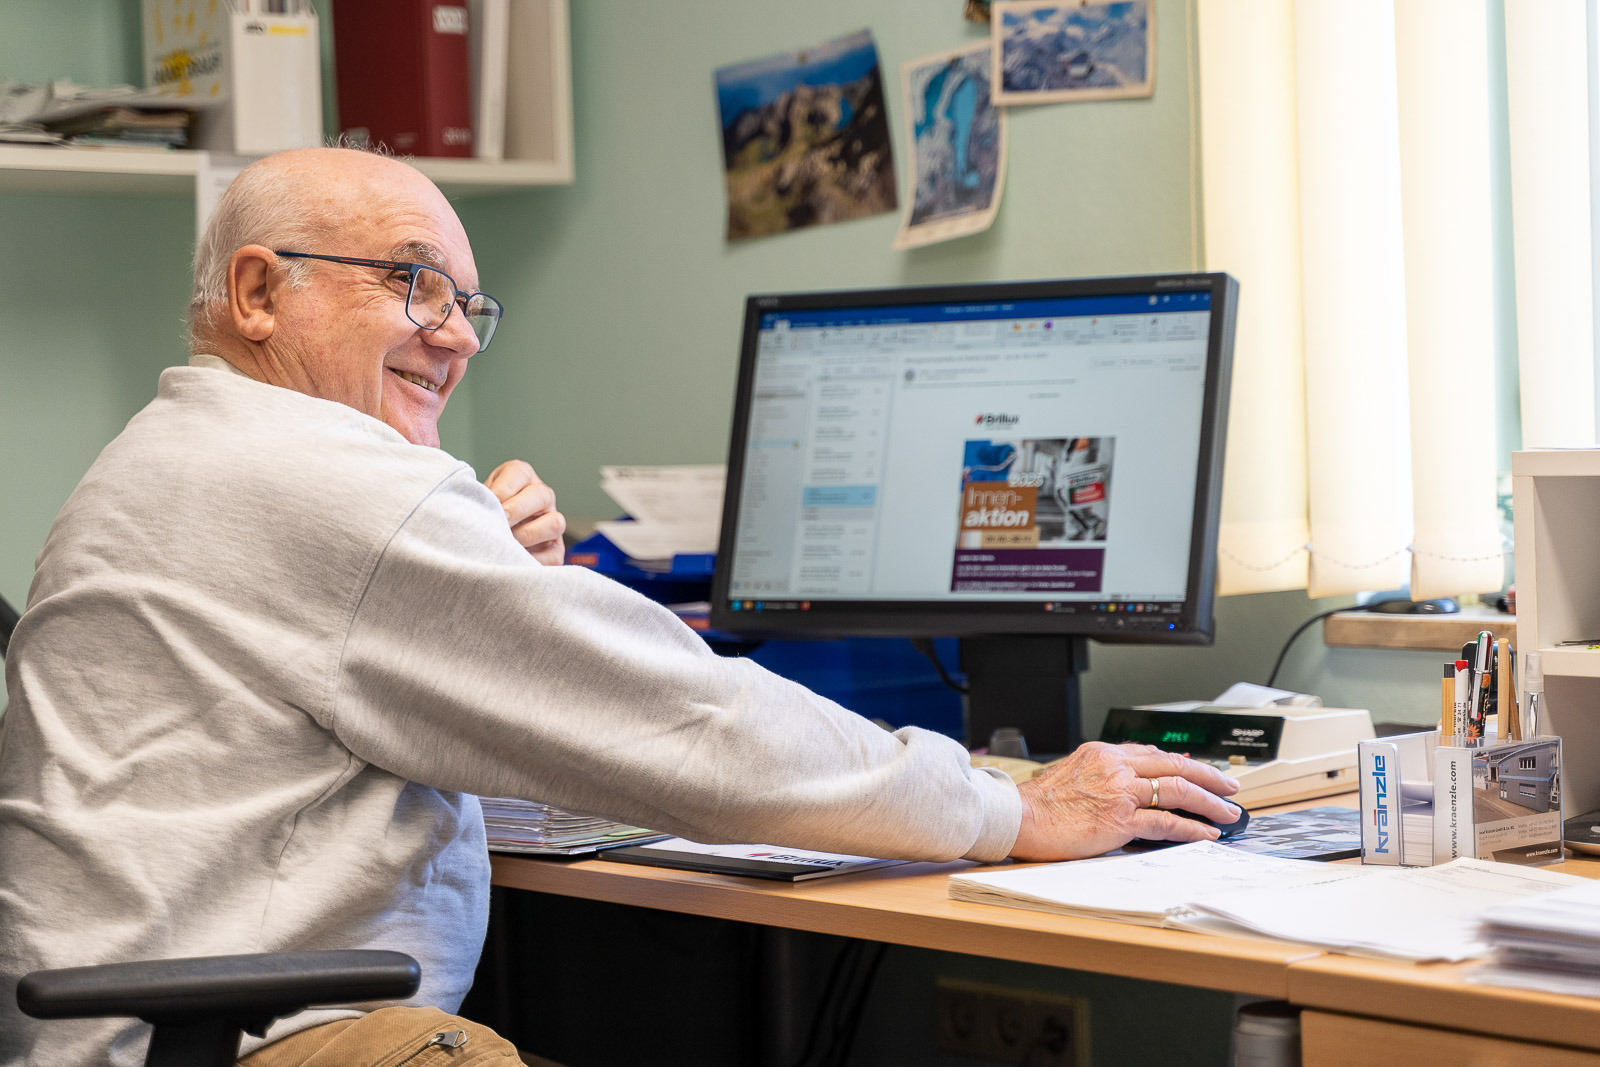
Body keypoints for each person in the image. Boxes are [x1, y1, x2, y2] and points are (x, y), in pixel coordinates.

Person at [0, 147, 1239, 1067]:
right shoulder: (313, 477)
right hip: (248, 1042)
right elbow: (684, 718)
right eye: (413, 286)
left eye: (466, 305)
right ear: (261, 292)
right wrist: (1005, 804)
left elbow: (446, 725)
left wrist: (497, 585)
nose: (457, 340)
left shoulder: (179, 452)